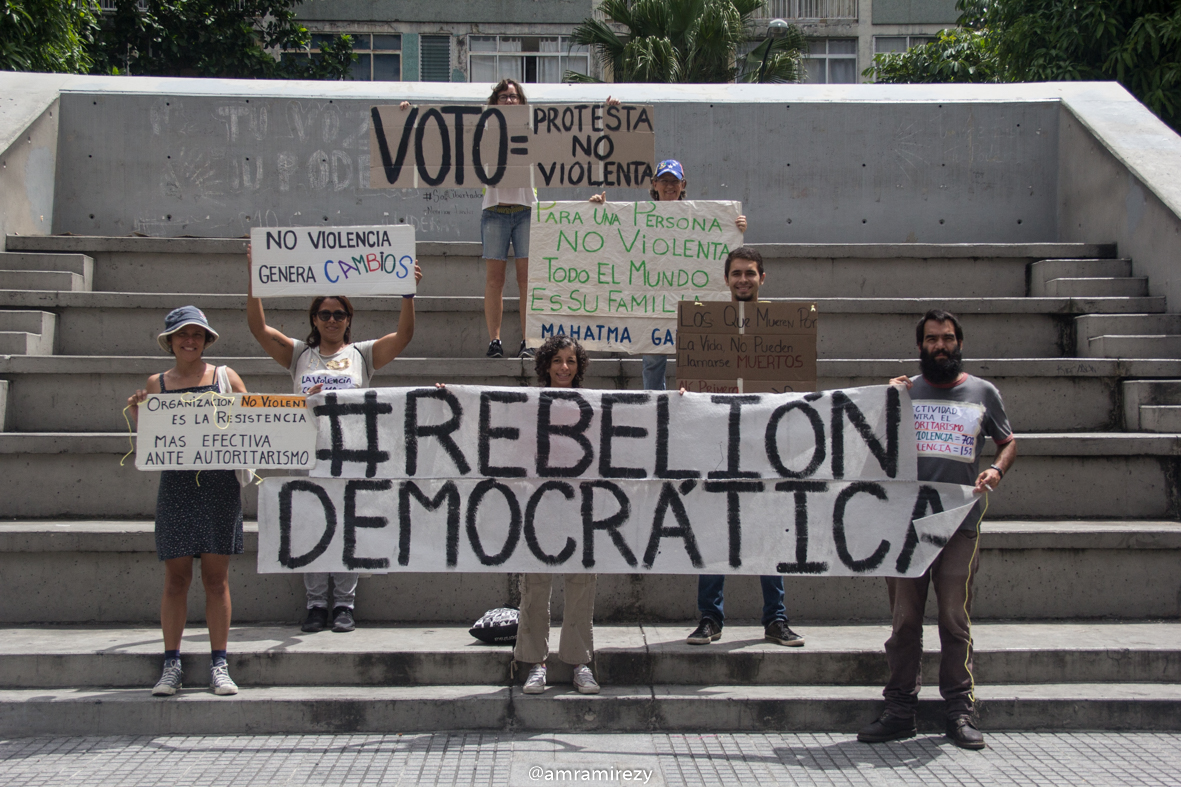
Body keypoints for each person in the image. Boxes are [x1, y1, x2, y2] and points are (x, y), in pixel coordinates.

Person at [857, 309, 1017, 750]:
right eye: (932, 339)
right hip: (905, 526)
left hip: (959, 524)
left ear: (959, 343)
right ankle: (899, 710)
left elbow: (1008, 443)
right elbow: (870, 443)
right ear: (920, 346)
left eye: (947, 338)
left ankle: (959, 712)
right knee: (905, 620)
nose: (940, 346)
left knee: (953, 617)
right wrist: (883, 402)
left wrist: (997, 472)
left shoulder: (983, 392)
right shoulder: (905, 392)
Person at [246, 245, 422, 633]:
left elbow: (404, 336)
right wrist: (254, 278)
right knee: (311, 524)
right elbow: (259, 329)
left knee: (349, 524)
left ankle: (343, 603)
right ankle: (314, 604)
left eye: (339, 314)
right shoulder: (298, 355)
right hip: (307, 451)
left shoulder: (362, 354)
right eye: (324, 313)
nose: (331, 319)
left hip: (354, 452)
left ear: (348, 319)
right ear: (314, 318)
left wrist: (408, 295)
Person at [682, 247, 804, 648]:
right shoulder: (707, 325)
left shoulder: (784, 327)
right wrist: (690, 388)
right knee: (715, 530)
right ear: (726, 278)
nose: (743, 280)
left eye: (750, 274)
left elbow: (796, 384)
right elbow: (698, 377)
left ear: (762, 278)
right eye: (736, 274)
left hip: (765, 445)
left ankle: (776, 619)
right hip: (718, 442)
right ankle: (709, 618)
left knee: (769, 531)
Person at [127, 306, 247, 697]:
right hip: (177, 487)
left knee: (216, 580)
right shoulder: (156, 384)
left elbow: (255, 421)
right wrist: (138, 413)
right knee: (176, 579)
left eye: (196, 334)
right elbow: (151, 444)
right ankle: (172, 664)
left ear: (207, 339)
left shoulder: (225, 377)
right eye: (182, 335)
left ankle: (219, 664)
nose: (190, 341)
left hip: (219, 488)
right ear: (170, 342)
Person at [592, 159, 747, 390]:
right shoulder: (637, 216)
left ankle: (695, 403)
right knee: (653, 362)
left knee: (698, 356)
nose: (669, 186)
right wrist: (594, 210)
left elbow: (722, 248)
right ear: (654, 184)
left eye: (674, 181)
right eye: (664, 181)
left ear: (683, 185)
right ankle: (655, 408)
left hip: (692, 299)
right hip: (652, 301)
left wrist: (736, 226)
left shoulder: (703, 217)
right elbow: (611, 240)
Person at [516, 335, 600, 695]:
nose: (564, 367)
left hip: (582, 506)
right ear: (545, 366)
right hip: (539, 505)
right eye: (557, 361)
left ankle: (580, 662)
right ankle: (536, 662)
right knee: (535, 585)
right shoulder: (529, 405)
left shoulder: (595, 405)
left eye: (571, 361)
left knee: (582, 584)